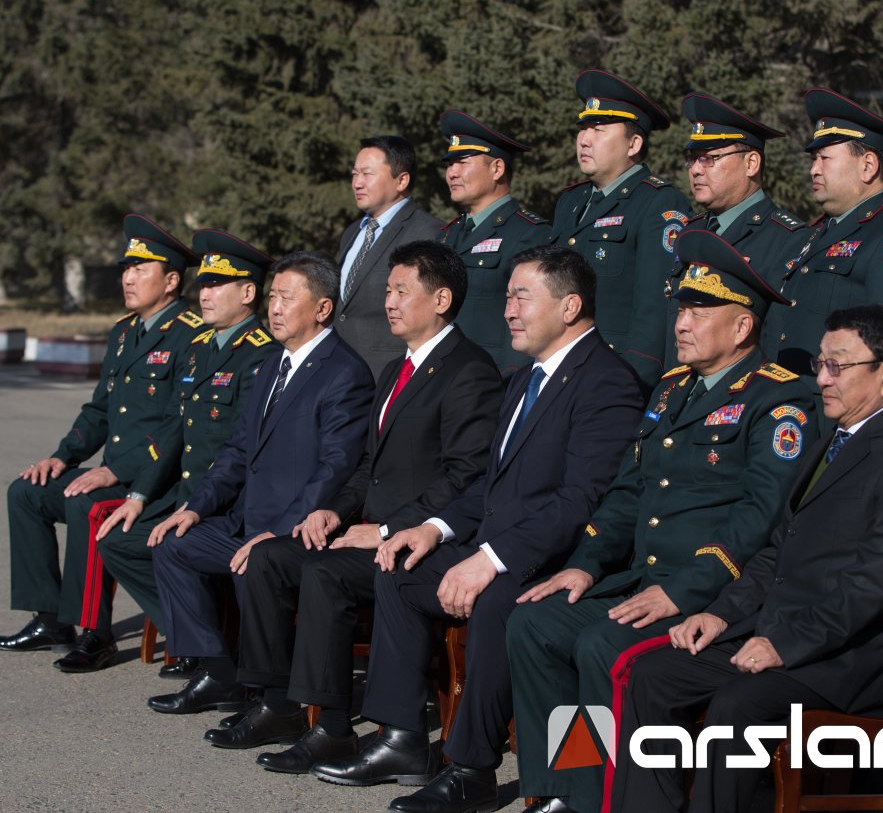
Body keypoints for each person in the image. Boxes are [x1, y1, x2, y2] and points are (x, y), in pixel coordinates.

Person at [312, 246, 646, 813]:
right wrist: (433, 529)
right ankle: (402, 738)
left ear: (570, 307)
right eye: (508, 297)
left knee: (496, 604)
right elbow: (489, 485)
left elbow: (580, 501)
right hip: (498, 543)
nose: (508, 310)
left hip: (558, 557)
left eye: (522, 298)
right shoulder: (525, 379)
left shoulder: (606, 381)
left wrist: (490, 559)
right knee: (399, 569)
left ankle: (473, 769)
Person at [509, 230, 817, 813]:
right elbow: (629, 490)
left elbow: (760, 519)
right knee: (536, 624)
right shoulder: (673, 389)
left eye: (700, 312)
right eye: (681, 309)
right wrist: (586, 565)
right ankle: (567, 790)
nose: (682, 324)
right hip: (642, 580)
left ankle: (609, 801)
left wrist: (682, 593)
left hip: (712, 597)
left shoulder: (779, 401)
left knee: (603, 643)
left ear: (743, 327)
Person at [613, 304, 883, 813]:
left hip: (848, 657)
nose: (822, 379)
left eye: (837, 365)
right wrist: (721, 613)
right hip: (783, 632)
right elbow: (778, 549)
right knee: (655, 676)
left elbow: (872, 586)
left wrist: (783, 645)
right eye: (820, 363)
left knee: (736, 708)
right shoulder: (835, 439)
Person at [212, 241, 502, 772]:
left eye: (401, 291)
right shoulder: (394, 370)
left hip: (424, 540)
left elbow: (465, 476)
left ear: (441, 300)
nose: (388, 302)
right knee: (271, 557)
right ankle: (277, 703)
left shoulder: (469, 371)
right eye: (387, 290)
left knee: (325, 573)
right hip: (368, 529)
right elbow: (369, 467)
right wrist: (333, 510)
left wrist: (387, 528)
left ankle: (332, 727)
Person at [143, 251, 375, 720]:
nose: (275, 308)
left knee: (258, 565)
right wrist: (195, 507)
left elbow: (335, 468)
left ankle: (273, 698)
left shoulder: (344, 372)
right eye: (273, 297)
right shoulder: (274, 364)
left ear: (323, 308)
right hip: (244, 520)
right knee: (172, 543)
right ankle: (217, 671)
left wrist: (279, 531)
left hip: (292, 530)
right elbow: (237, 451)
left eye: (287, 298)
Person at [0, 214, 201, 669]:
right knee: (27, 491)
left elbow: (180, 425)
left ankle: (95, 634)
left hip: (156, 482)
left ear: (171, 281)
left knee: (87, 504)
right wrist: (62, 457)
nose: (128, 278)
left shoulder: (192, 335)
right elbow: (100, 409)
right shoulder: (124, 332)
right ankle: (50, 620)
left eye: (140, 269)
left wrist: (115, 470)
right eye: (126, 269)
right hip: (112, 474)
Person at [92, 229, 278, 678]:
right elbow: (176, 429)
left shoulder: (260, 355)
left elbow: (242, 447)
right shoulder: (199, 348)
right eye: (204, 284)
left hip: (225, 503)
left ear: (248, 293)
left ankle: (205, 652)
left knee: (168, 545)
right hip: (187, 495)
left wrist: (197, 506)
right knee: (117, 539)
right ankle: (193, 631)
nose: (205, 294)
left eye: (217, 285)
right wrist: (139, 495)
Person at [762, 88, 883, 381]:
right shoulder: (817, 232)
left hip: (832, 405)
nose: (814, 170)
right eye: (814, 159)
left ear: (867, 166)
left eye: (825, 158)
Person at [550, 68, 692, 387]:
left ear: (633, 143)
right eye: (583, 128)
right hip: (560, 369)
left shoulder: (658, 202)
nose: (584, 139)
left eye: (599, 129)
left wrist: (629, 385)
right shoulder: (571, 201)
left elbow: (654, 311)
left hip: (613, 376)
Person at [662, 93, 808, 368]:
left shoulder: (788, 239)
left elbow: (778, 338)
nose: (695, 170)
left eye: (709, 158)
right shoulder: (690, 232)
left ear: (751, 163)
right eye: (692, 158)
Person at [436, 109, 550, 374]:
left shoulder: (529, 234)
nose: (452, 173)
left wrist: (512, 384)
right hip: (442, 376)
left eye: (462, 162)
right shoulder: (446, 235)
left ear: (497, 168)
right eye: (450, 164)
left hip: (492, 378)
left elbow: (531, 322)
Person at [336, 135, 443, 373]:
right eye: (354, 174)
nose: (357, 183)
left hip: (388, 372)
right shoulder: (352, 233)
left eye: (367, 174)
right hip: (340, 372)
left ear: (401, 180)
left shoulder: (427, 233)